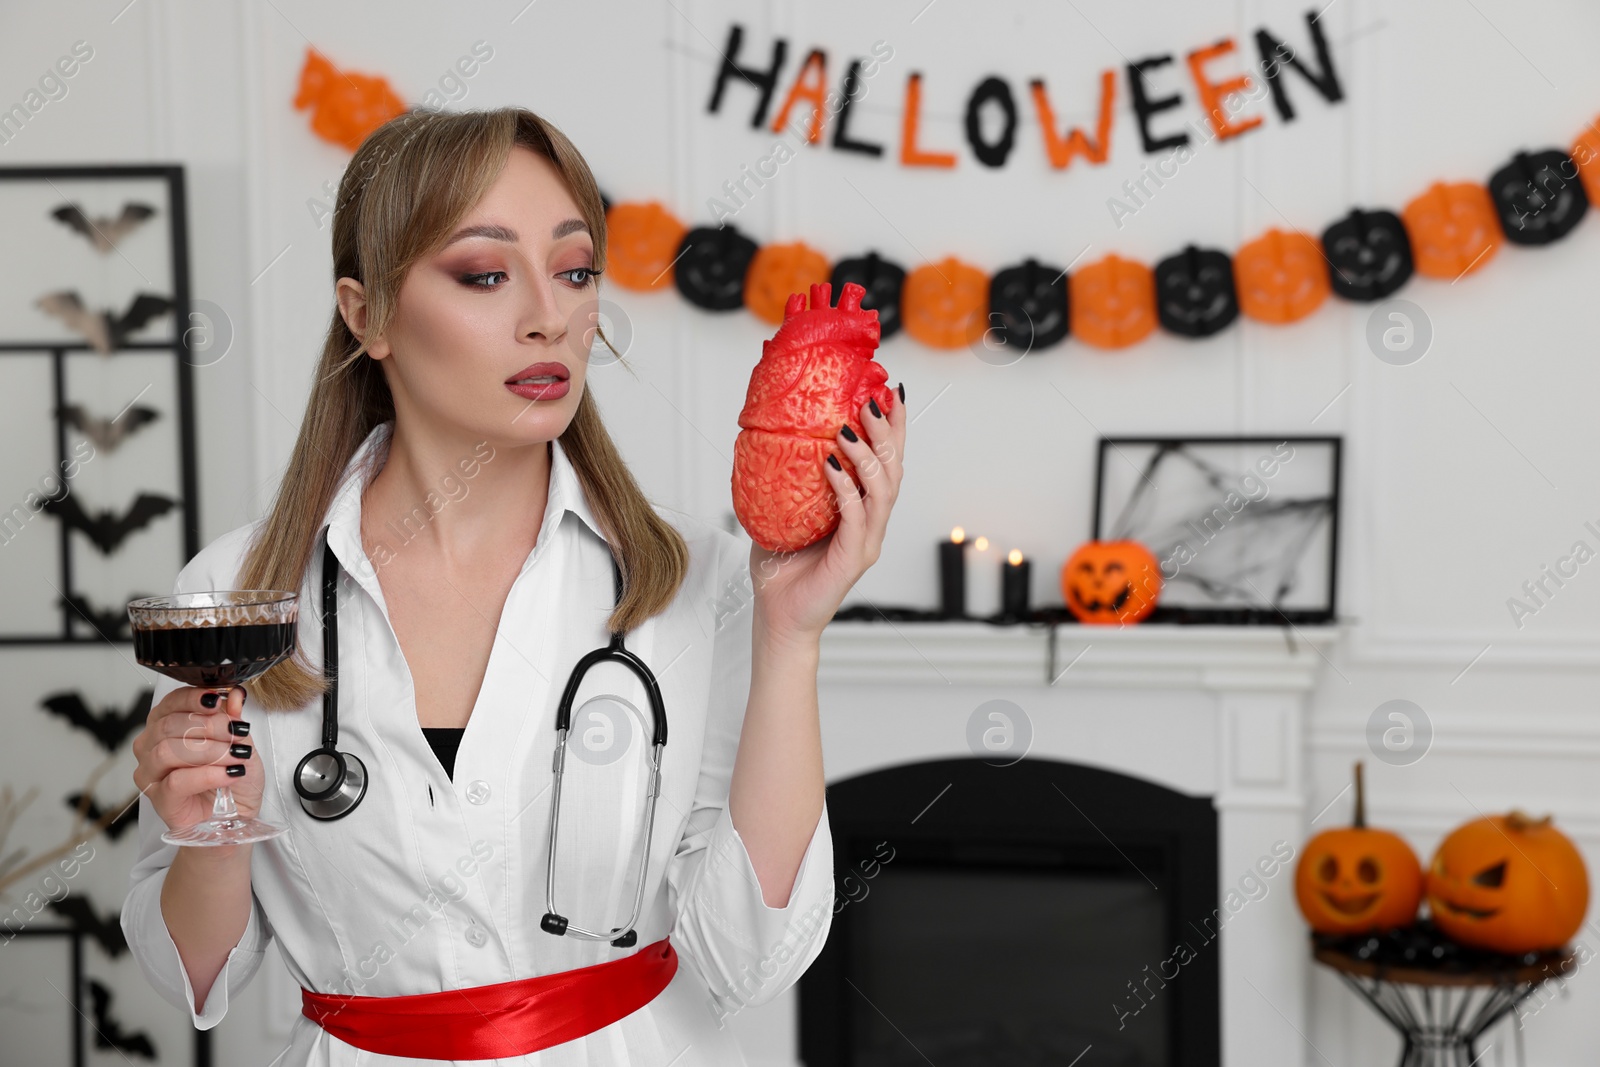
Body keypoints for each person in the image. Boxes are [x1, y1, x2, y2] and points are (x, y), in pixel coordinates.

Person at [120, 105, 907, 1065]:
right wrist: (209, 831)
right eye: (486, 274)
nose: (551, 314)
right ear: (367, 315)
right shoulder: (239, 592)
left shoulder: (698, 582)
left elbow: (748, 960)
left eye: (575, 271)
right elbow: (196, 975)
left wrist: (791, 636)